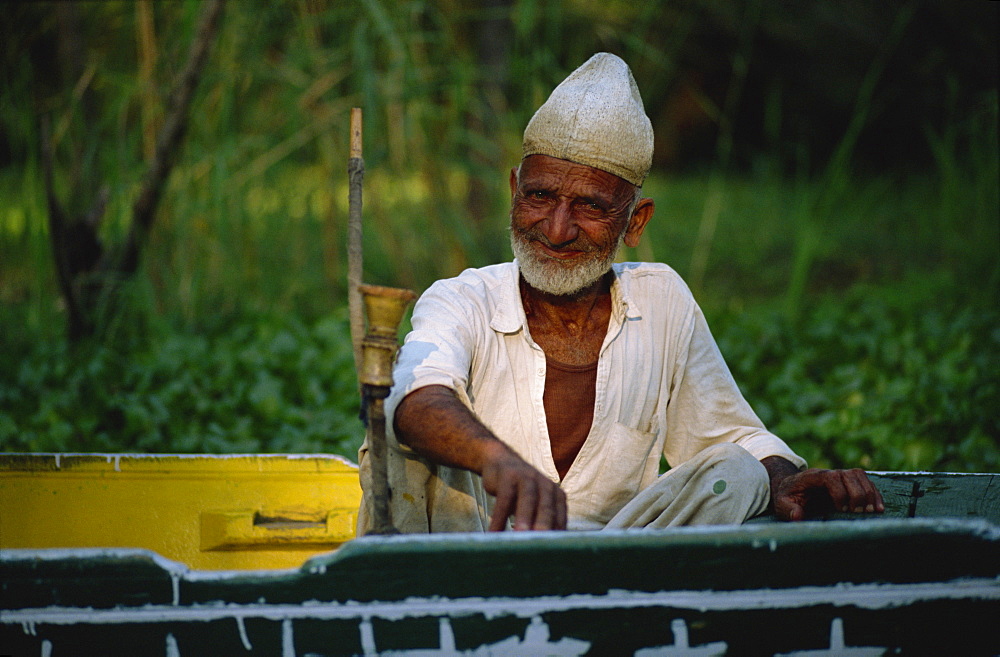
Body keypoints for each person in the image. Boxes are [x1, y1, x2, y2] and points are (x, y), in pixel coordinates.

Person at [356, 53, 884, 535]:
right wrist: (498, 460)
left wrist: (784, 479)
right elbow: (414, 395)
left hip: (615, 566)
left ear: (635, 222)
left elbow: (731, 437)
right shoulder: (463, 298)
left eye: (589, 207)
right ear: (514, 189)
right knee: (400, 445)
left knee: (737, 473)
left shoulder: (661, 303)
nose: (557, 229)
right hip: (473, 567)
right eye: (539, 196)